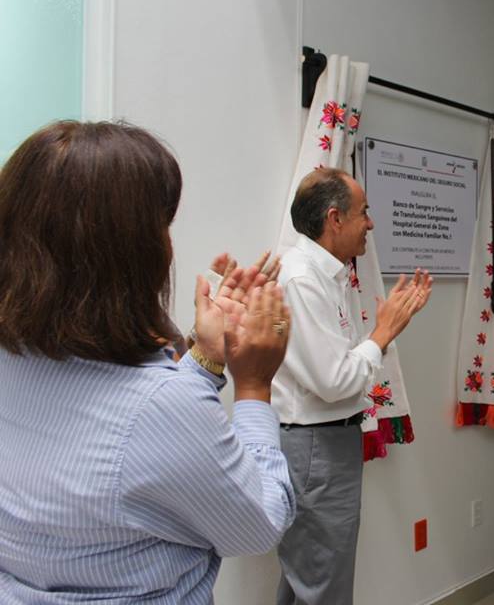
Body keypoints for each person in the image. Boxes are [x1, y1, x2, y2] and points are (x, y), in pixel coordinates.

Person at [0, 121, 295, 603]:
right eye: (162, 226)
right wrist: (254, 385)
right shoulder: (159, 408)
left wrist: (205, 359)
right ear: (131, 252)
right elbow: (259, 524)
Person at [272, 168, 432, 605]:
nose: (371, 223)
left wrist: (384, 333)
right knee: (323, 584)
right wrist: (382, 333)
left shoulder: (328, 274)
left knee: (310, 578)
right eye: (364, 212)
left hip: (326, 442)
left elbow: (337, 367)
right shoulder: (303, 279)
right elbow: (334, 381)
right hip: (315, 445)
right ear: (335, 218)